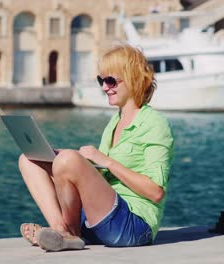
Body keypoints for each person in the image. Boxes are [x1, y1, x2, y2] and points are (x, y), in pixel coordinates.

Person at [18, 44, 174, 252]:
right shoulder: (114, 122)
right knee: (29, 159)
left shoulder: (154, 123)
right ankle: (62, 231)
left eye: (111, 80)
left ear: (133, 78)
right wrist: (64, 158)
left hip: (133, 226)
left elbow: (155, 192)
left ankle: (66, 233)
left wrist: (104, 161)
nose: (104, 87)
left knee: (69, 161)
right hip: (99, 219)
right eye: (101, 80)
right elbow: (100, 178)